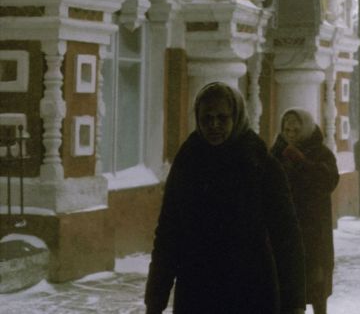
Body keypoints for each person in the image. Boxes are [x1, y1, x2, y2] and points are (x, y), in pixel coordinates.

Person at [145, 82, 306, 314]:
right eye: (206, 118)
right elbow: (169, 233)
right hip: (198, 290)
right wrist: (155, 300)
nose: (214, 125)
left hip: (250, 289)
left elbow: (286, 236)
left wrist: (293, 303)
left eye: (222, 117)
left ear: (236, 116)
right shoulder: (188, 162)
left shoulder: (260, 163)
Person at [270, 109, 339, 314]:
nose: (291, 134)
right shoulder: (276, 153)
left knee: (316, 282)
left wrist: (301, 162)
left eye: (296, 130)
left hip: (314, 230)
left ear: (306, 129)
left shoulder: (322, 153)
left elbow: (328, 181)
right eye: (287, 129)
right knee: (288, 285)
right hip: (285, 229)